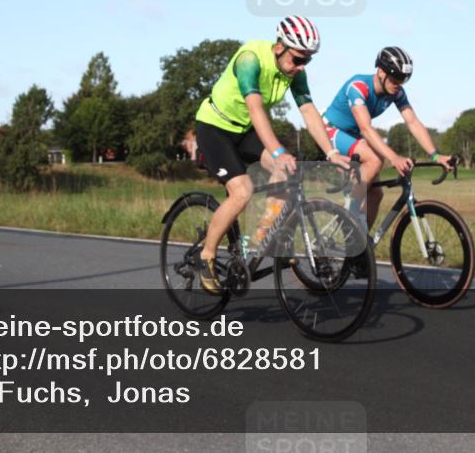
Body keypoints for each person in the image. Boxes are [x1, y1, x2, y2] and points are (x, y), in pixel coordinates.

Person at [194, 15, 349, 294]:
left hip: (244, 130)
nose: (301, 66)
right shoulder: (250, 59)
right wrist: (277, 151)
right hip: (215, 128)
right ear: (279, 48)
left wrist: (331, 151)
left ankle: (260, 238)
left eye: (308, 60)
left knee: (287, 172)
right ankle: (206, 255)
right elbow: (255, 108)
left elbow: (308, 110)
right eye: (298, 59)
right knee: (242, 191)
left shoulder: (295, 72)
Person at [321, 47, 454, 230]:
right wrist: (394, 158)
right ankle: (349, 218)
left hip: (353, 135)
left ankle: (361, 244)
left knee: (376, 194)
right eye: (395, 79)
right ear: (381, 72)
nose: (398, 84)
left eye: (403, 80)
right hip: (330, 130)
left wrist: (435, 155)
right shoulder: (358, 86)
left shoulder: (396, 92)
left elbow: (413, 121)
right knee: (375, 160)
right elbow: (366, 128)